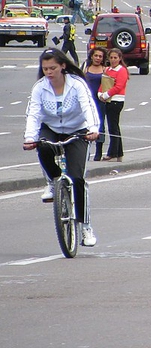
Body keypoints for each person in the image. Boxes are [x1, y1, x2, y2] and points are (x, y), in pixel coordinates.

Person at [23, 48, 101, 246]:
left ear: (63, 66)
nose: (49, 72)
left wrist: (93, 129)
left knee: (77, 178)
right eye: (45, 69)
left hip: (77, 130)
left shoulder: (77, 84)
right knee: (43, 146)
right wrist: (30, 138)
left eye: (53, 68)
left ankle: (85, 227)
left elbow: (88, 106)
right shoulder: (40, 87)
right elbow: (34, 114)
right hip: (51, 128)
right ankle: (53, 182)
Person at [99, 48, 129, 162]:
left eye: (115, 58)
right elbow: (103, 83)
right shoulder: (108, 69)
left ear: (120, 58)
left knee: (113, 127)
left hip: (116, 100)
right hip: (108, 100)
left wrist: (107, 94)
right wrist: (100, 93)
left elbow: (119, 86)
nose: (113, 60)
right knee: (113, 127)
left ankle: (113, 153)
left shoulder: (122, 70)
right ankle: (118, 153)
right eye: (111, 57)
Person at [82, 47, 107, 161]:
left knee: (100, 125)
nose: (98, 58)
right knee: (86, 125)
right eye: (96, 55)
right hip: (87, 101)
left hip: (100, 101)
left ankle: (99, 151)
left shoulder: (105, 69)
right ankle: (85, 151)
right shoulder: (85, 68)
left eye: (100, 56)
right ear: (91, 56)